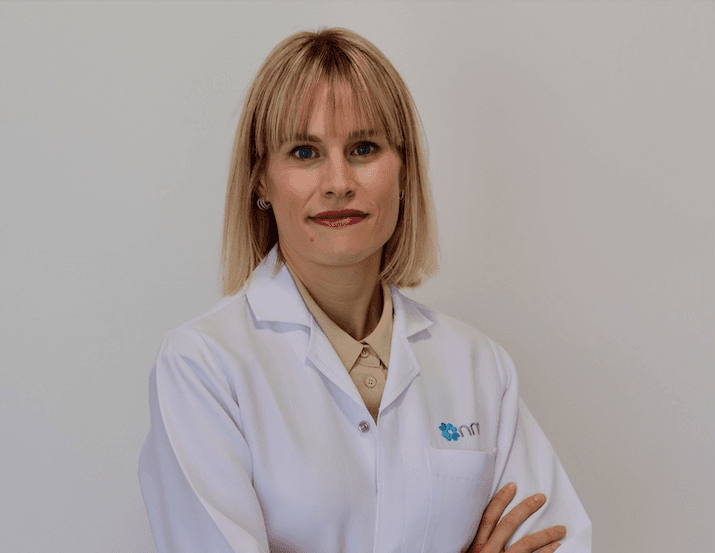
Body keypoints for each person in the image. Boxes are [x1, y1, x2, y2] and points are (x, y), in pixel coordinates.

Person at [138, 27, 592, 552]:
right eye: (304, 151)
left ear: (404, 170)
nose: (338, 182)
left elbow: (560, 541)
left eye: (363, 148)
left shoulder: (478, 366)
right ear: (261, 178)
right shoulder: (203, 367)